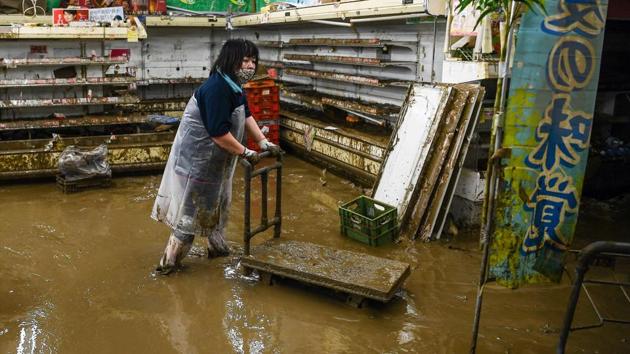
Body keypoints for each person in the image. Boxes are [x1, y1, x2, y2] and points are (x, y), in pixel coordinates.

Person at [151, 39, 280, 275]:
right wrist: (245, 151)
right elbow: (219, 133)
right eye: (245, 60)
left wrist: (261, 141)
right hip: (196, 165)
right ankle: (168, 265)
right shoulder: (217, 89)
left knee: (218, 206)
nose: (250, 66)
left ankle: (217, 251)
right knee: (189, 217)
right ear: (232, 60)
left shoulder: (233, 85)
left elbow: (246, 113)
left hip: (216, 164)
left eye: (253, 61)